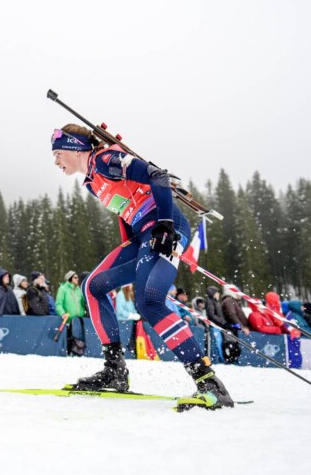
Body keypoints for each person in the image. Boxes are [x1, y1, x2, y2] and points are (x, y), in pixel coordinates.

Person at [50, 124, 233, 410]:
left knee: (150, 301)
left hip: (164, 228)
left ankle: (208, 382)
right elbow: (125, 209)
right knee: (93, 286)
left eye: (58, 154)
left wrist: (166, 225)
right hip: (142, 236)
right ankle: (115, 370)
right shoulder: (91, 181)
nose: (56, 161)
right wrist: (129, 240)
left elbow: (158, 177)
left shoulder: (105, 160)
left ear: (74, 148)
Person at [219, 285, 249, 364]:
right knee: (232, 346)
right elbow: (232, 315)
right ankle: (231, 361)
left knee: (235, 346)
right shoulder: (229, 301)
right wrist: (241, 326)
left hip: (233, 327)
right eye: (237, 292)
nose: (239, 294)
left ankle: (233, 360)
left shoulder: (233, 301)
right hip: (231, 327)